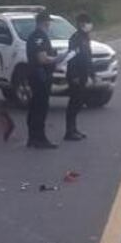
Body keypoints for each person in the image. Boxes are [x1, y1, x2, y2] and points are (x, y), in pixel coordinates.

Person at [25, 9, 58, 149]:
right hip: (40, 76)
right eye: (49, 22)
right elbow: (42, 58)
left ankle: (32, 138)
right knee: (40, 107)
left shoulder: (34, 36)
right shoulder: (40, 36)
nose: (50, 25)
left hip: (35, 75)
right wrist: (56, 59)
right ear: (44, 22)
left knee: (34, 107)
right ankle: (40, 138)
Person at [64, 13, 94, 141]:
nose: (89, 25)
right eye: (87, 23)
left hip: (83, 75)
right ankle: (69, 131)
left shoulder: (85, 37)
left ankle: (74, 129)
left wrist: (92, 74)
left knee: (79, 102)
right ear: (81, 24)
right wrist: (74, 75)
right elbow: (72, 58)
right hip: (75, 75)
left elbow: (88, 57)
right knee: (74, 102)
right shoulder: (75, 38)